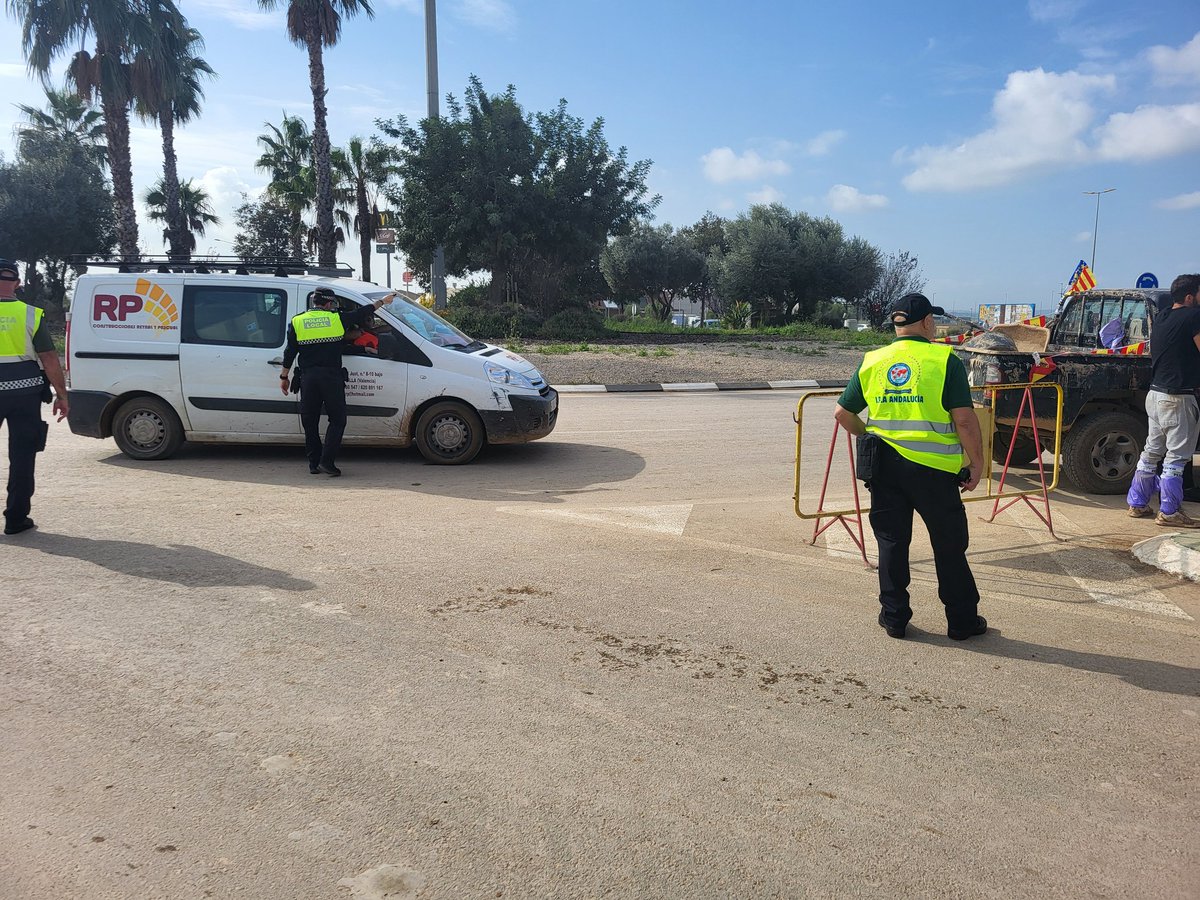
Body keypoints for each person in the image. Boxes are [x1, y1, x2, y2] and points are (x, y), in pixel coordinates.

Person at [833, 292, 988, 641]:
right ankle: (962, 622)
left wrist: (869, 435)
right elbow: (963, 420)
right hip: (934, 472)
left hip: (885, 470)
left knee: (891, 543)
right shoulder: (943, 360)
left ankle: (894, 618)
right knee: (948, 546)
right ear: (929, 322)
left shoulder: (873, 360)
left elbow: (843, 413)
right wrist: (976, 463)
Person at [279, 288, 394, 476]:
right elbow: (362, 312)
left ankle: (313, 463)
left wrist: (284, 377)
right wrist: (383, 301)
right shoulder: (337, 319)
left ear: (314, 303)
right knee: (338, 420)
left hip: (307, 378)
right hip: (331, 378)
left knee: (310, 421)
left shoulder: (297, 321)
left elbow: (290, 352)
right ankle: (327, 461)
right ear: (329, 304)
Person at [0, 259, 68, 535]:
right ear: (17, 284)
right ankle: (16, 519)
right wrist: (62, 395)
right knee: (23, 456)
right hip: (24, 393)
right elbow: (50, 360)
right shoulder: (31, 314)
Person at [1126, 274, 1200, 527]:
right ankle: (1169, 511)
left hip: (1155, 395)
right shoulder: (1193, 317)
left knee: (1152, 451)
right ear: (1190, 296)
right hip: (1177, 397)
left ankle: (1137, 503)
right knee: (1177, 457)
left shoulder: (1163, 316)